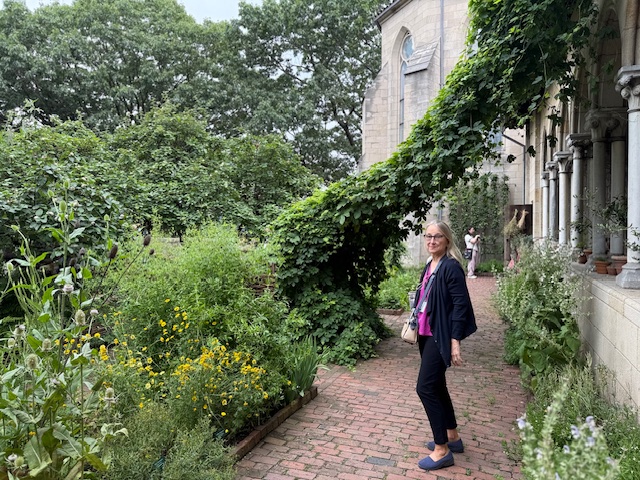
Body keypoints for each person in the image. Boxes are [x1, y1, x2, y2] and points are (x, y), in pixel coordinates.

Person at [412, 220, 477, 471]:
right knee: (437, 385)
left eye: (437, 236)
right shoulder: (431, 264)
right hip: (426, 333)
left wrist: (455, 341)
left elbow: (461, 306)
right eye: (428, 236)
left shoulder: (451, 267)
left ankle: (442, 450)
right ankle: (452, 436)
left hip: (439, 335)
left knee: (425, 387)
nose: (432, 241)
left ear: (447, 239)